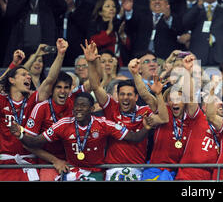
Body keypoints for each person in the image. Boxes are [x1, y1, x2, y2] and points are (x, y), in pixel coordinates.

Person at [8, 92, 153, 181]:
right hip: (72, 171)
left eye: (83, 106)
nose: (78, 109)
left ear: (91, 109)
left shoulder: (104, 124)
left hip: (96, 172)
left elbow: (134, 137)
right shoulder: (63, 124)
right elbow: (35, 142)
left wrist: (146, 128)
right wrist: (20, 134)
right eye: (76, 105)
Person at [82, 40, 169, 181]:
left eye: (129, 94)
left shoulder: (144, 112)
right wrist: (91, 63)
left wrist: (157, 94)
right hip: (113, 169)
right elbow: (96, 87)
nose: (125, 98)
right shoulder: (111, 108)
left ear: (136, 97)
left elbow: (164, 118)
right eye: (122, 94)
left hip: (138, 170)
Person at [0, 38, 68, 181]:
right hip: (5, 165)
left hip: (29, 164)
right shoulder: (3, 101)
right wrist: (13, 65)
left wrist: (60, 55)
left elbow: (49, 80)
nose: (29, 77)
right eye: (24, 75)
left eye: (29, 75)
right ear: (12, 80)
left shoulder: (32, 100)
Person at [22, 71, 90, 181]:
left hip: (74, 163)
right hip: (49, 164)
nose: (62, 91)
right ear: (52, 90)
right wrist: (55, 161)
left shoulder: (75, 105)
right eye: (58, 87)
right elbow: (27, 144)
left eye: (66, 87)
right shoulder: (41, 108)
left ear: (70, 89)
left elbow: (94, 83)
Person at [175, 54, 223, 180]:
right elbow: (189, 97)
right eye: (215, 100)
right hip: (187, 175)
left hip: (210, 177)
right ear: (205, 107)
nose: (221, 103)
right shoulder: (198, 118)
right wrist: (186, 71)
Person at [2, 0, 66, 66]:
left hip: (45, 46)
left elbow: (63, 7)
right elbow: (9, 12)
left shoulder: (48, 0)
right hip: (21, 47)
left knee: (47, 72)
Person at [182, 0, 223, 66]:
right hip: (198, 55)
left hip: (221, 54)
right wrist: (198, 6)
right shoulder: (196, 8)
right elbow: (185, 23)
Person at [88, 0, 130, 67]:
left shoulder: (119, 24)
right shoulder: (95, 25)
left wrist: (122, 34)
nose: (112, 9)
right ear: (100, 12)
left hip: (120, 64)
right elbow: (92, 44)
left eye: (113, 6)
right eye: (108, 6)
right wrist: (108, 31)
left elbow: (128, 46)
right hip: (101, 65)